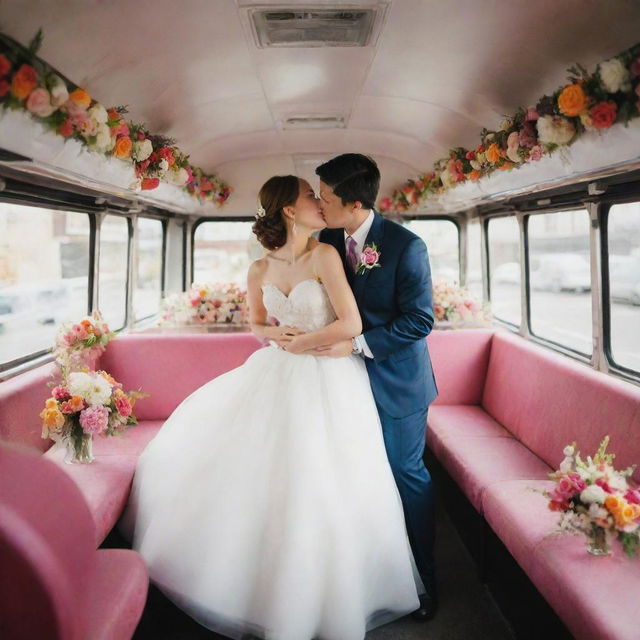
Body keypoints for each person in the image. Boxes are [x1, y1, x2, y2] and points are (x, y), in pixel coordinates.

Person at [123, 175, 424, 640]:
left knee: (325, 478)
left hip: (328, 374)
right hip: (277, 370)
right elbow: (257, 322)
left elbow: (351, 322)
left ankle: (327, 595)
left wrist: (302, 340)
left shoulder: (325, 253)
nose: (319, 203)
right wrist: (272, 336)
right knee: (259, 475)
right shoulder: (259, 269)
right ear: (288, 209)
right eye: (310, 196)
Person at [312, 154, 439, 621]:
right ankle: (363, 576)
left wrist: (358, 345)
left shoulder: (407, 247)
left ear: (356, 202)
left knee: (405, 475)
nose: (320, 204)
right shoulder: (324, 239)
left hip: (395, 382)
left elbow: (420, 320)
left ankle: (424, 580)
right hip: (338, 382)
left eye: (326, 198)